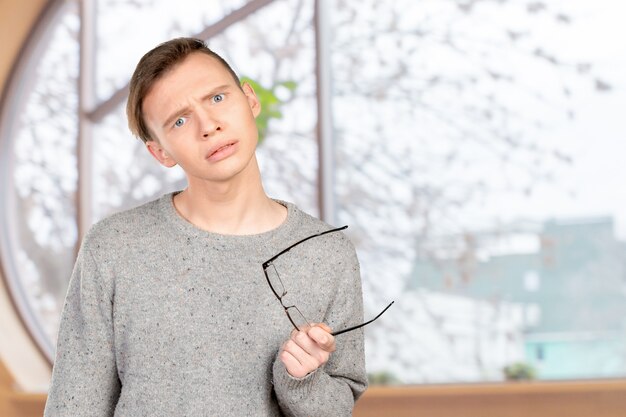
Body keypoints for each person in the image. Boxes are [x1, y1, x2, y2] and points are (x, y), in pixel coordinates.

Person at [44, 37, 368, 416]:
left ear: (249, 101)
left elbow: (339, 407)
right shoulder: (113, 247)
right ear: (161, 152)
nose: (208, 126)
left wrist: (301, 381)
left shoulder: (327, 253)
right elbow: (73, 406)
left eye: (217, 98)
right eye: (179, 120)